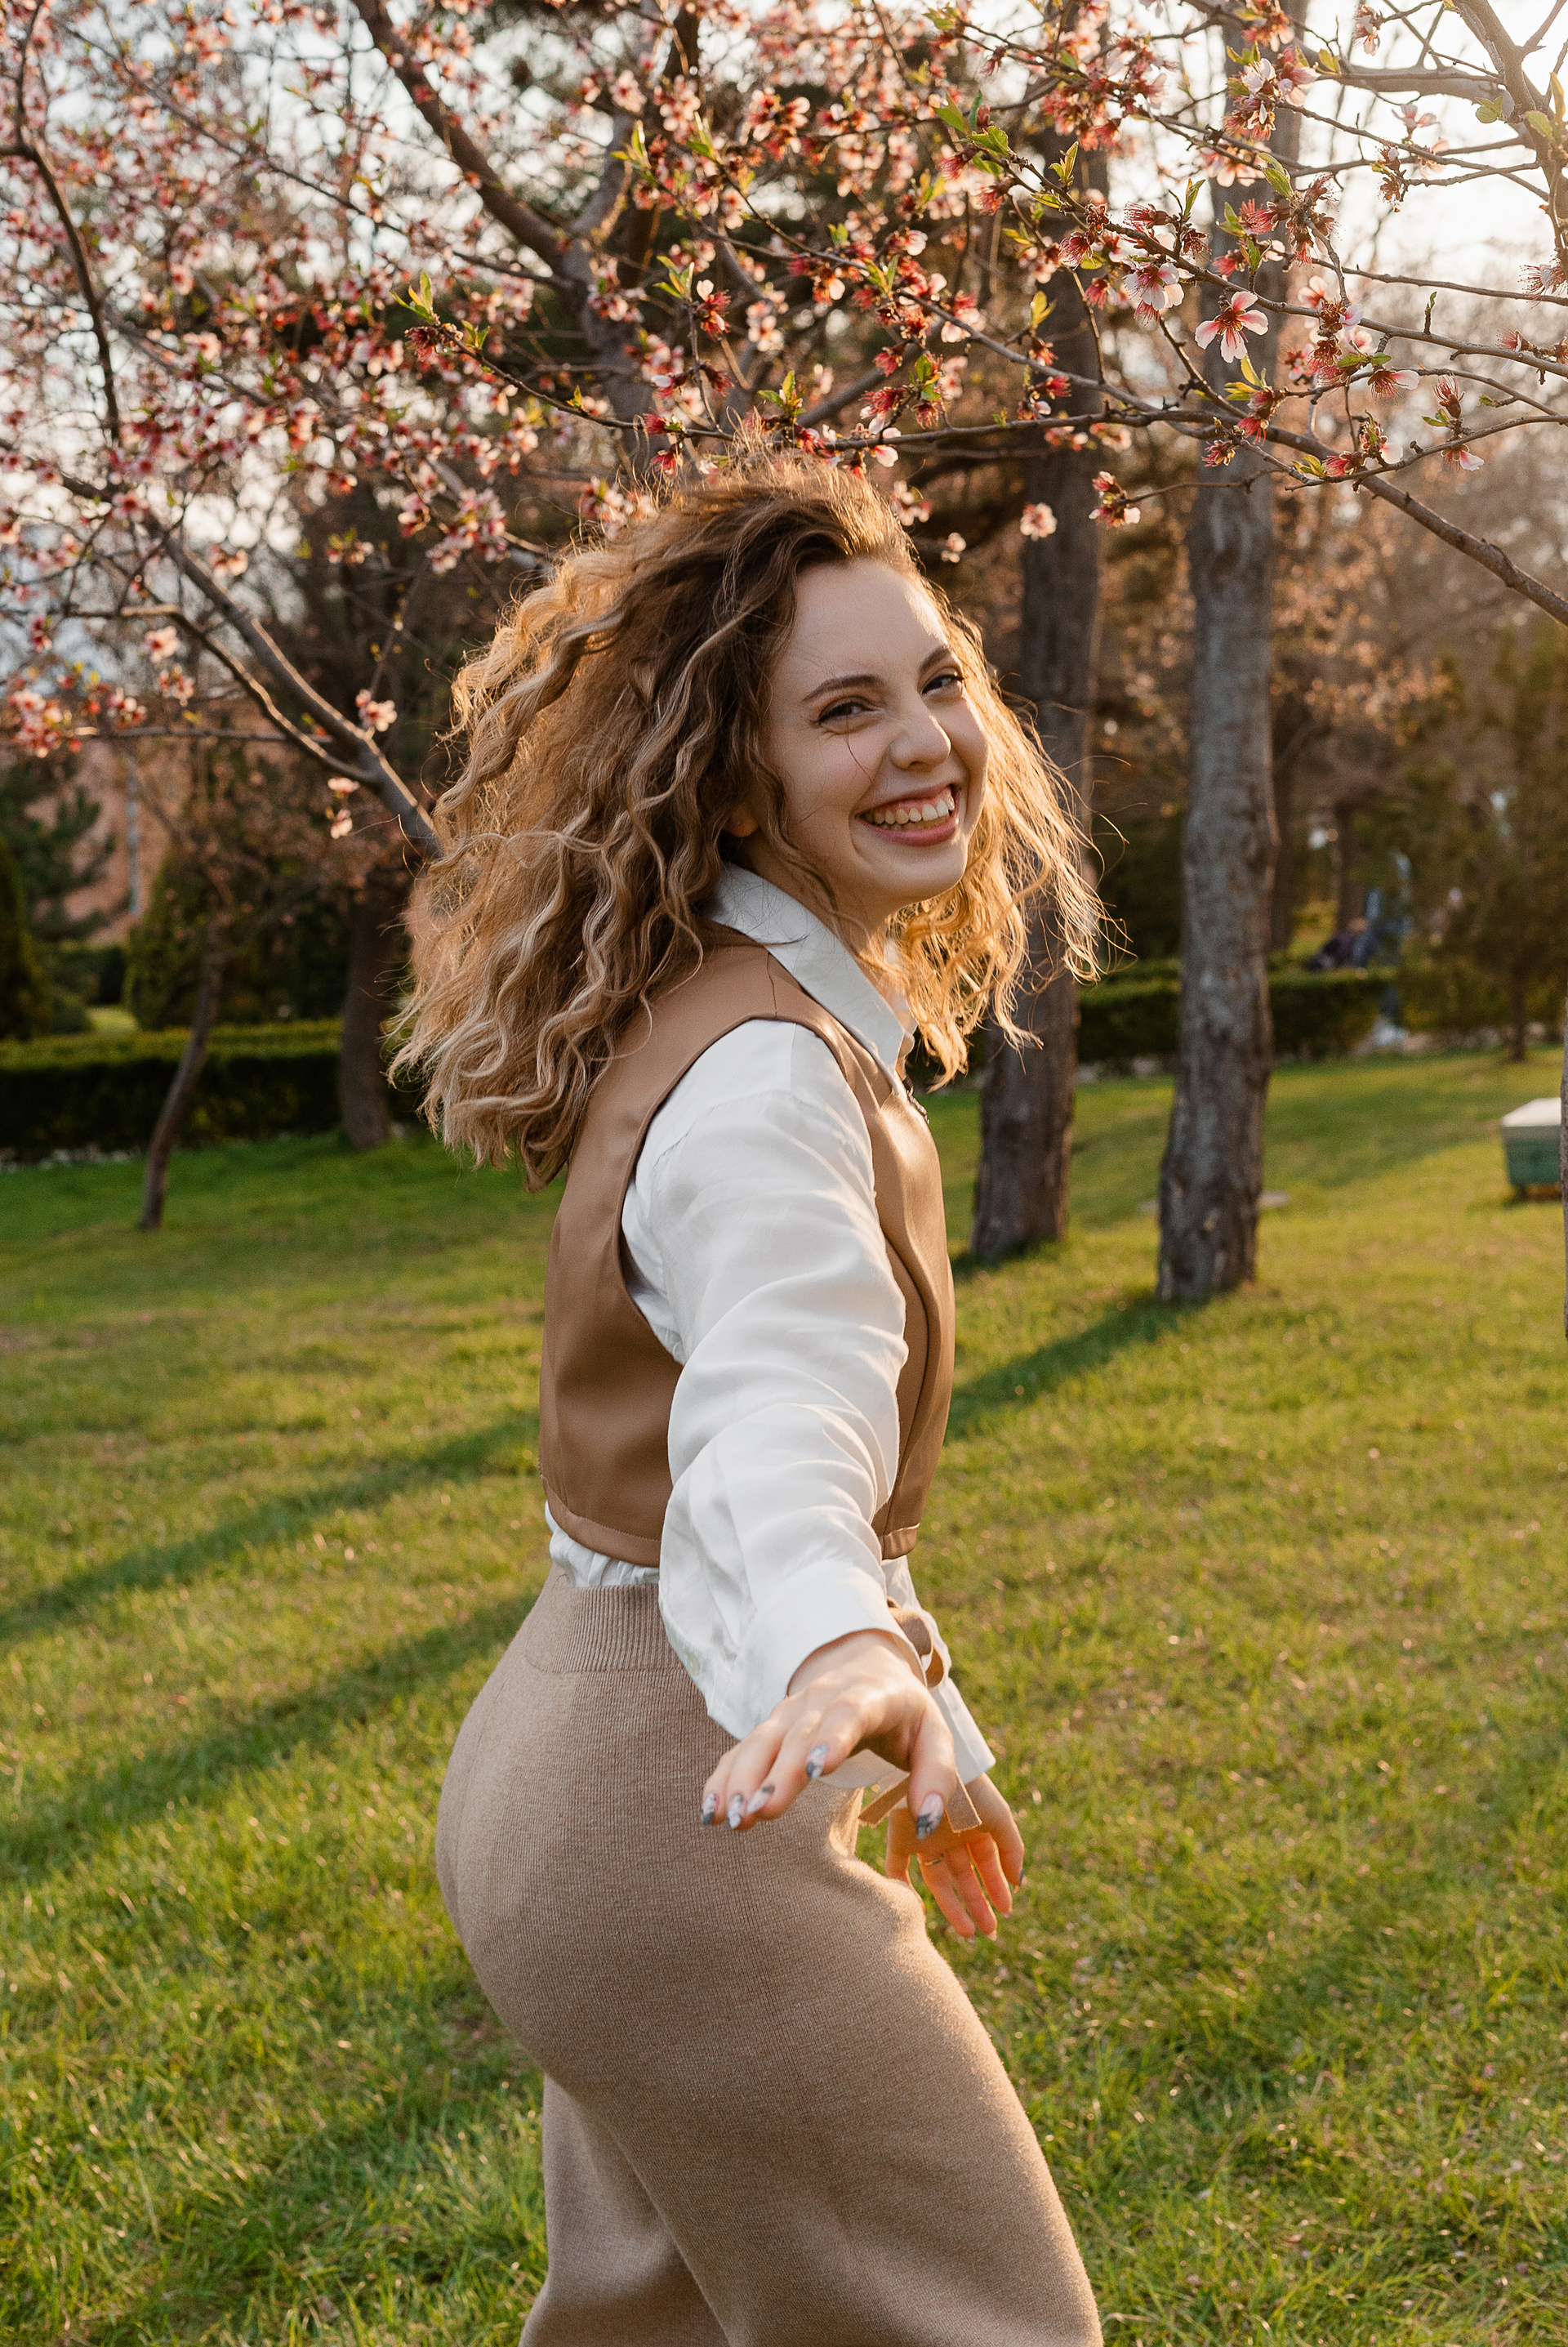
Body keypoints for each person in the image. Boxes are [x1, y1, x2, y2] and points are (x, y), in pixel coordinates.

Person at [396, 460, 1103, 2345]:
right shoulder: (770, 1081)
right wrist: (839, 1645)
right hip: (670, 1838)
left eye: (936, 680)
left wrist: (900, 1691)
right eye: (844, 710)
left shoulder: (716, 999)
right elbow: (777, 1411)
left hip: (582, 1794)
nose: (924, 742)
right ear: (735, 775)